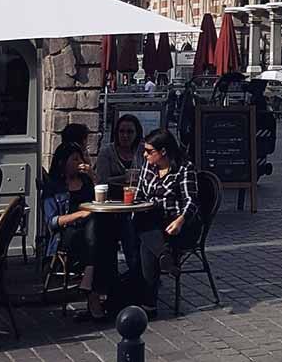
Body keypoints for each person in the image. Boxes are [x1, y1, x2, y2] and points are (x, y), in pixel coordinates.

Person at [44, 141, 117, 319]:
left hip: (91, 235)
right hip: (68, 235)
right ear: (63, 162)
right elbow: (53, 221)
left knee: (102, 228)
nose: (79, 162)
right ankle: (102, 295)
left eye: (81, 158)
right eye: (74, 159)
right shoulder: (54, 186)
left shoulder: (86, 182)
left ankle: (92, 285)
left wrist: (93, 176)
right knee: (100, 230)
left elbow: (103, 201)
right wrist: (80, 215)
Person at [134, 129, 201, 317]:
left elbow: (191, 200)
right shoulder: (148, 166)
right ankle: (164, 256)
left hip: (178, 224)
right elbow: (140, 193)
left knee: (145, 243)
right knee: (142, 222)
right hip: (153, 222)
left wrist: (181, 220)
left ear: (163, 151)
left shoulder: (184, 168)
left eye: (149, 151)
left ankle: (149, 303)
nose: (145, 155)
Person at [95, 113, 146, 282]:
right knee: (126, 228)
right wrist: (124, 178)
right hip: (113, 205)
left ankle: (141, 273)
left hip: (136, 203)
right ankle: (128, 275)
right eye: (122, 131)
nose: (125, 136)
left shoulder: (141, 151)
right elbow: (101, 180)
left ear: (136, 133)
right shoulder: (107, 152)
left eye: (130, 132)